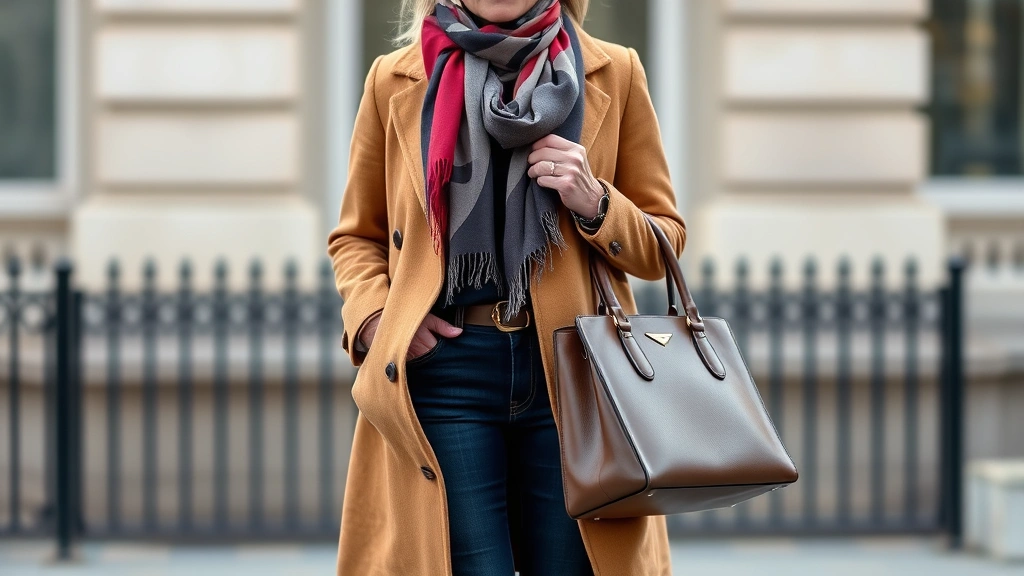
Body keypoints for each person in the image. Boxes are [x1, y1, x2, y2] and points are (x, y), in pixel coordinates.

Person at [326, 0, 686, 574]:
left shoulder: (613, 72)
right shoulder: (393, 79)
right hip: (445, 372)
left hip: (578, 375)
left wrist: (595, 202)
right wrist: (376, 318)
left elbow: (662, 241)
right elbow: (356, 236)